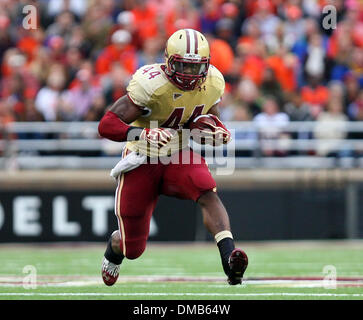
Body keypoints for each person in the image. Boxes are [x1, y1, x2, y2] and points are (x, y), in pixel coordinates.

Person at [98, 29, 248, 286]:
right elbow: (106, 125)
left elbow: (205, 120)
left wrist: (214, 131)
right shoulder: (151, 83)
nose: (190, 75)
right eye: (183, 66)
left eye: (195, 67)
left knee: (206, 190)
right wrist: (143, 134)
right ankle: (115, 246)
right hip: (142, 157)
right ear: (168, 62)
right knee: (132, 248)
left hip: (177, 153)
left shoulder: (212, 81)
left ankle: (229, 258)